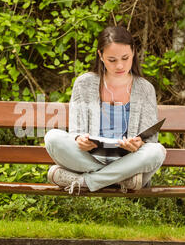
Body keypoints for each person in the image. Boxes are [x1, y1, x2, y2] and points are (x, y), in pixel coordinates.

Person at [44, 26, 166, 195]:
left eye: (125, 58)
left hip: (128, 159)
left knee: (157, 151)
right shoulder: (84, 84)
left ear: (133, 52)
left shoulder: (146, 89)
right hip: (91, 157)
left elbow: (150, 140)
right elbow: (75, 132)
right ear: (100, 56)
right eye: (112, 60)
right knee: (52, 138)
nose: (120, 65)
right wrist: (80, 139)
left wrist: (138, 143)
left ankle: (86, 182)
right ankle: (122, 179)